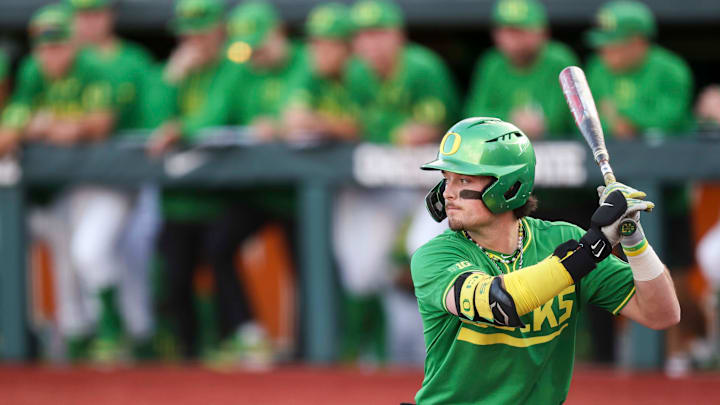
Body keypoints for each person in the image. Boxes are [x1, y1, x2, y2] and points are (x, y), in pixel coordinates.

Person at [411, 117, 680, 403]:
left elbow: (662, 313)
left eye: (463, 180)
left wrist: (633, 238)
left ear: (509, 185)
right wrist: (591, 249)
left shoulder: (562, 239)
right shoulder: (435, 256)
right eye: (446, 179)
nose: (448, 193)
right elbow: (499, 302)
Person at [330, 0, 459, 363]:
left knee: (426, 256)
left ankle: (443, 354)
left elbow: (427, 129)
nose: (370, 44)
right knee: (359, 270)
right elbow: (355, 126)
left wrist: (375, 130)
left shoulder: (423, 67)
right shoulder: (354, 72)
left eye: (378, 33)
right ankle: (373, 354)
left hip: (429, 186)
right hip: (377, 186)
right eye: (362, 36)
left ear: (397, 35)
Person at [0, 3, 123, 362]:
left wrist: (53, 125)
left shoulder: (95, 67)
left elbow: (99, 124)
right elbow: (11, 127)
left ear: (74, 43)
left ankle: (118, 334)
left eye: (58, 44)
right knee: (70, 257)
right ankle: (75, 335)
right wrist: (34, 126)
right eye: (43, 46)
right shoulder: (31, 73)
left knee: (98, 256)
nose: (50, 54)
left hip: (112, 181)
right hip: (60, 192)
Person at [67, 0, 161, 360]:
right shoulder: (63, 62)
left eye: (95, 13)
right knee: (79, 262)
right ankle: (94, 338)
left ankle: (140, 342)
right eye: (82, 14)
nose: (88, 22)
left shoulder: (132, 60)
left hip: (129, 178)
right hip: (73, 181)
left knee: (135, 263)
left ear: (110, 16)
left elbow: (152, 118)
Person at [465, 0, 578, 139]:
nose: (512, 39)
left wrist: (540, 123)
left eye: (520, 31)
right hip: (502, 148)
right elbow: (473, 115)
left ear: (542, 32)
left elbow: (567, 117)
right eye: (506, 31)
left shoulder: (559, 61)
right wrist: (508, 120)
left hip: (558, 148)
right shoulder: (492, 63)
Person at [585, 0, 693, 139]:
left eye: (613, 46)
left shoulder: (671, 69)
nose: (605, 53)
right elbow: (586, 118)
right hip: (609, 151)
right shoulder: (597, 69)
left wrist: (625, 119)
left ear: (638, 42)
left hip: (670, 154)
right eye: (603, 47)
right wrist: (612, 124)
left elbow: (669, 119)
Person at [283, 2, 360, 143]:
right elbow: (291, 115)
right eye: (313, 43)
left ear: (348, 47)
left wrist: (321, 123)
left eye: (325, 44)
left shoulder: (360, 74)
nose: (316, 52)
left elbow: (368, 128)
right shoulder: (312, 73)